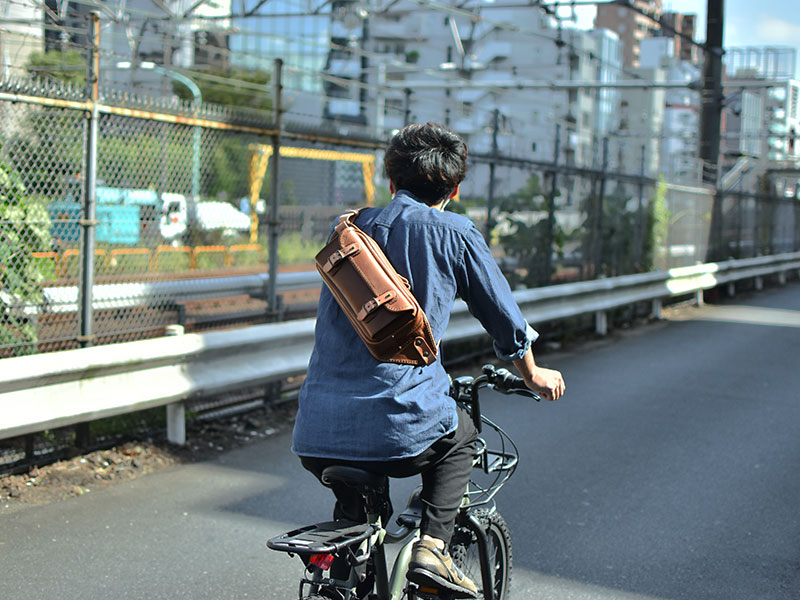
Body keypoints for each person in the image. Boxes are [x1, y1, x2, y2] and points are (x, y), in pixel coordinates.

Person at [292, 122, 565, 598]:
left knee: (356, 514)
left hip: (316, 429)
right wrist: (534, 374)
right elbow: (504, 319)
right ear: (454, 188)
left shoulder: (350, 230)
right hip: (400, 425)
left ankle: (344, 565)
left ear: (390, 181)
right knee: (461, 438)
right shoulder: (454, 233)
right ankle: (433, 548)